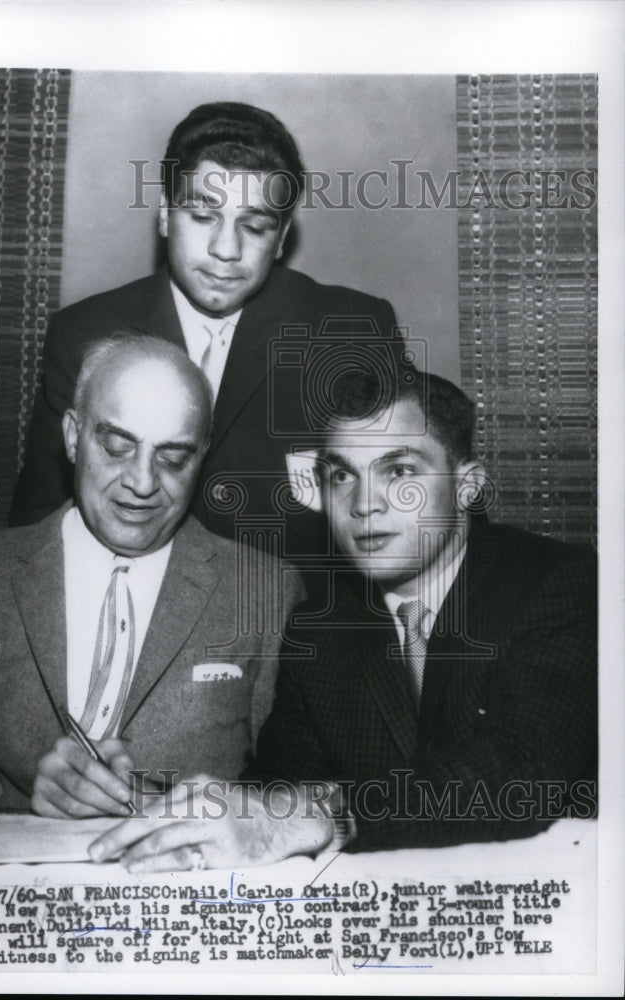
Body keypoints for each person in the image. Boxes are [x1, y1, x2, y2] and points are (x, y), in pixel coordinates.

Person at [85, 368, 597, 871]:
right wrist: (135, 797)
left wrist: (328, 814)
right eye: (341, 476)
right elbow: (273, 796)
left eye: (399, 471)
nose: (363, 505)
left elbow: (524, 775)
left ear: (468, 486)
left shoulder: (564, 583)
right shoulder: (320, 630)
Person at [0, 335, 303, 820]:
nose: (142, 482)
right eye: (116, 447)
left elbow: (292, 796)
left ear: (202, 456)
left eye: (173, 459)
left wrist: (162, 808)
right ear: (73, 436)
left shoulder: (266, 593)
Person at [9, 101, 407, 567]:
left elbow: (412, 507)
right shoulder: (82, 332)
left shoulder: (351, 330)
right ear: (163, 216)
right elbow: (36, 530)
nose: (226, 249)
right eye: (202, 218)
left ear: (280, 241)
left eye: (254, 227)